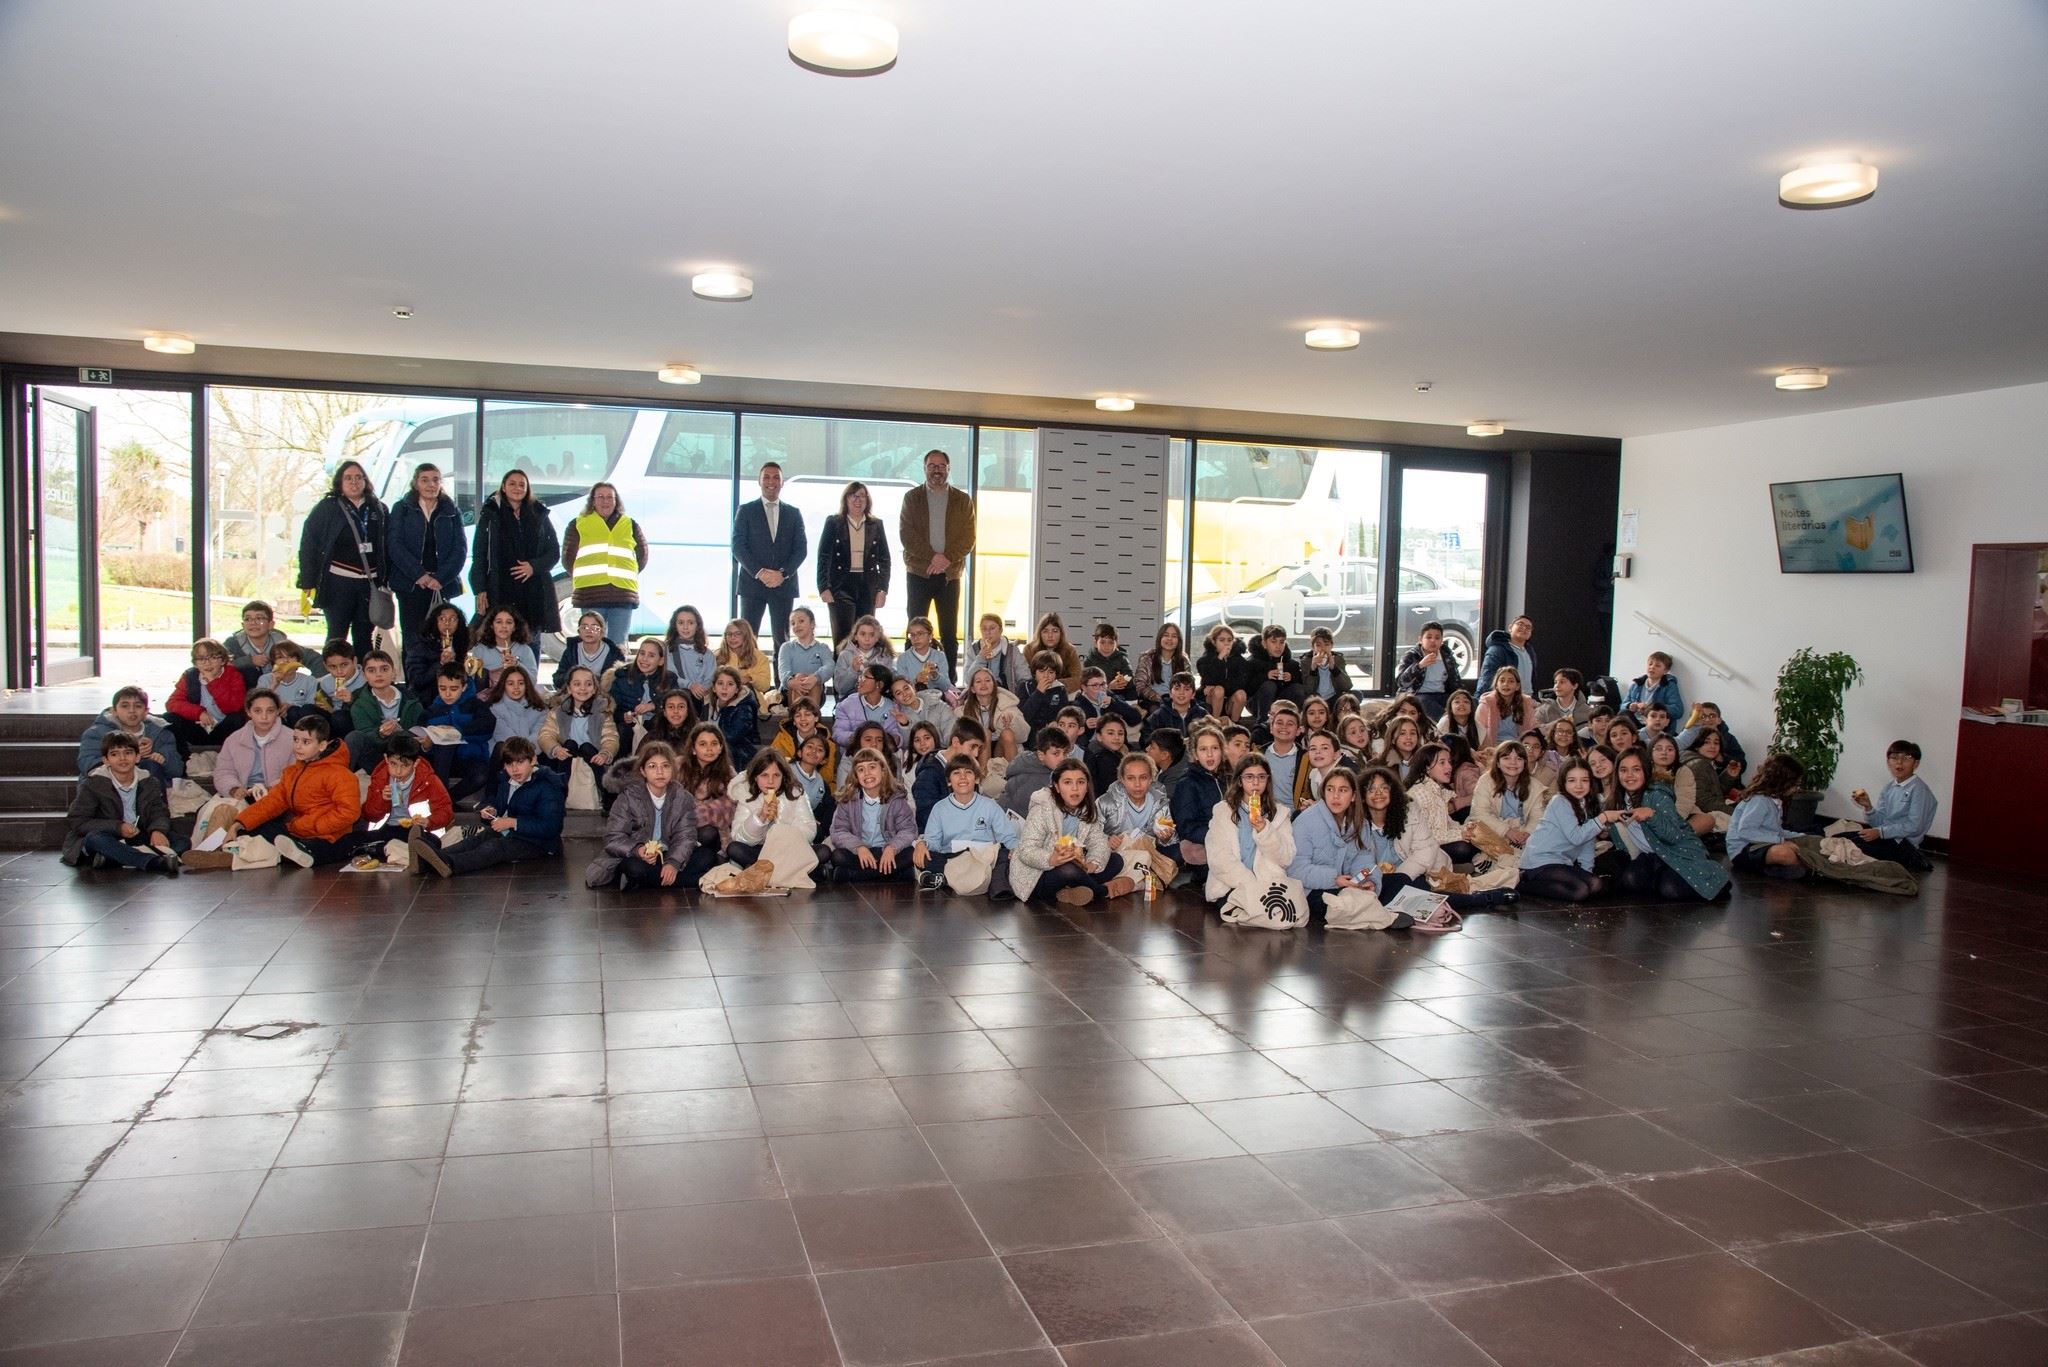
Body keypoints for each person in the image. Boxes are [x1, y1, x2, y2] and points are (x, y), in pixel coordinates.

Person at [1288, 768, 1441, 929]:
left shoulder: (1358, 822)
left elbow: (1363, 858)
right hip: (1314, 890)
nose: (1335, 796)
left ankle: (1373, 911)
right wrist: (1335, 880)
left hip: (1350, 884)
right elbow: (1296, 869)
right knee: (1340, 901)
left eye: (1343, 790)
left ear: (1354, 796)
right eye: (1330, 789)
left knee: (1400, 880)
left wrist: (1368, 881)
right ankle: (1384, 917)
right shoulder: (1306, 822)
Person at [410, 736, 565, 878]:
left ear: (533, 760)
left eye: (520, 762)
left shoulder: (548, 786)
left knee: (494, 847)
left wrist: (513, 822)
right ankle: (433, 857)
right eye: (509, 764)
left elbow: (551, 826)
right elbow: (501, 805)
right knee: (476, 840)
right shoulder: (507, 780)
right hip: (512, 833)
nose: (514, 769)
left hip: (540, 843)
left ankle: (449, 863)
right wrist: (492, 810)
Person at [222, 714, 363, 868]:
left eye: (305, 742)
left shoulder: (340, 774)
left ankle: (298, 853)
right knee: (254, 827)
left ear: (322, 745)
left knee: (325, 847)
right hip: (298, 831)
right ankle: (289, 851)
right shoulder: (292, 773)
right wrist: (239, 824)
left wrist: (312, 826)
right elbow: (271, 803)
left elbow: (349, 812)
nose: (298, 746)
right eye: (295, 740)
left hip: (328, 836)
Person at [1608, 746, 1730, 901]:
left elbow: (1674, 836)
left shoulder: (1657, 795)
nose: (1629, 775)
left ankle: (1716, 879)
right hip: (1652, 855)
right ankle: (1664, 877)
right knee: (1631, 881)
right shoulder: (1618, 800)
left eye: (1636, 769)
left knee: (1671, 889)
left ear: (1646, 771)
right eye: (1623, 770)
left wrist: (1651, 815)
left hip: (1677, 851)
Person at [295, 459, 388, 657]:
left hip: (369, 584)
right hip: (338, 582)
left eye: (358, 477)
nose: (354, 482)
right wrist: (307, 580)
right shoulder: (327, 508)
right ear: (340, 482)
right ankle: (332, 675)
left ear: (365, 481)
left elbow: (388, 546)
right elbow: (309, 544)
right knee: (337, 635)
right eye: (348, 478)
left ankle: (364, 675)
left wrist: (387, 579)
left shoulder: (378, 509)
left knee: (364, 636)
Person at [1013, 759, 1134, 905]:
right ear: (1057, 787)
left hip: (1075, 866)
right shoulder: (1042, 809)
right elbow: (1026, 850)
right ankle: (1103, 891)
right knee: (1068, 870)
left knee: (1116, 860)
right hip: (1036, 876)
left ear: (1087, 786)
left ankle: (1069, 892)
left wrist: (1093, 863)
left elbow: (1099, 840)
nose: (1075, 789)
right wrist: (1051, 859)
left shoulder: (1087, 809)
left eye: (1081, 782)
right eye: (1067, 782)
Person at [585, 742, 702, 890]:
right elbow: (613, 837)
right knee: (635, 868)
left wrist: (673, 863)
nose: (660, 772)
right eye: (652, 766)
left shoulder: (682, 797)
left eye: (665, 766)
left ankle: (649, 881)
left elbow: (685, 835)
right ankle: (693, 880)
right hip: (636, 856)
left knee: (705, 856)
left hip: (667, 852)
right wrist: (638, 850)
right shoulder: (628, 797)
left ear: (672, 770)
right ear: (643, 771)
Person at [63, 733, 180, 874]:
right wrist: (118, 827)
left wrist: (158, 830)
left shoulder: (149, 782)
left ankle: (115, 857)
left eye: (128, 753)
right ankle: (153, 862)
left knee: (182, 841)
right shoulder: (93, 784)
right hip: (107, 835)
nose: (122, 758)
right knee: (95, 839)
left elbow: (159, 811)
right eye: (114, 754)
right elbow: (78, 821)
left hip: (136, 834)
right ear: (106, 760)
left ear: (137, 757)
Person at [899, 449, 974, 669]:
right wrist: (933, 558)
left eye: (941, 466)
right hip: (918, 574)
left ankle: (949, 680)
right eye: (932, 466)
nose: (936, 470)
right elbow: (907, 535)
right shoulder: (912, 498)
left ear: (948, 469)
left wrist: (945, 559)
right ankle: (909, 676)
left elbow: (968, 537)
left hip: (949, 576)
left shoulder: (962, 500)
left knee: (949, 632)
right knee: (914, 629)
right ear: (924, 469)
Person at [470, 468, 561, 638]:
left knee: (531, 641)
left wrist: (533, 567)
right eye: (512, 484)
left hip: (533, 591)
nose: (517, 488)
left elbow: (554, 552)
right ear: (503, 487)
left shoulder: (539, 513)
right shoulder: (490, 514)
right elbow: (479, 555)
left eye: (521, 485)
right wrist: (479, 588)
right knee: (500, 640)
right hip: (500, 589)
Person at [912, 755, 1018, 894]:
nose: (962, 777)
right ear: (949, 781)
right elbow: (933, 843)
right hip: (953, 859)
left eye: (968, 772)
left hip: (983, 859)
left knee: (1004, 855)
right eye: (956, 773)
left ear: (977, 779)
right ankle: (959, 880)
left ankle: (944, 879)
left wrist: (1015, 849)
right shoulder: (939, 808)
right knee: (923, 856)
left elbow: (1008, 837)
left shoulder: (990, 806)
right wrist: (922, 845)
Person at [385, 462, 466, 644]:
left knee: (441, 639)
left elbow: (460, 550)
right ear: (416, 483)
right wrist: (418, 574)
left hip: (441, 584)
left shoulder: (452, 511)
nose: (431, 485)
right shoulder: (402, 508)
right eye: (425, 480)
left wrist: (440, 578)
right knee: (413, 639)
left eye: (435, 480)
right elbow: (394, 545)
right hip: (411, 584)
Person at [732, 462, 807, 657]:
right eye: (766, 477)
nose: (771, 481)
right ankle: (746, 676)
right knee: (747, 638)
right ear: (759, 481)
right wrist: (760, 573)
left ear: (782, 482)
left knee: (782, 640)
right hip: (752, 584)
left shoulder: (793, 513)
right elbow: (738, 547)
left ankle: (782, 677)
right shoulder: (746, 510)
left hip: (783, 585)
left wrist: (782, 574)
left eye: (776, 477)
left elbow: (801, 550)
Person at [561, 480, 648, 646]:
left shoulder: (630, 524)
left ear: (616, 501)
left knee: (617, 645)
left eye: (609, 497)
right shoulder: (578, 524)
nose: (605, 501)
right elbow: (568, 558)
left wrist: (628, 572)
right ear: (592, 501)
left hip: (622, 594)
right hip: (590, 594)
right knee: (592, 644)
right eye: (600, 497)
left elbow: (642, 555)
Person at [349, 732, 454, 866]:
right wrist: (382, 799)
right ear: (386, 759)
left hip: (417, 830)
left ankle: (381, 849)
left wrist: (429, 821)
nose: (398, 771)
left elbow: (446, 811)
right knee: (350, 840)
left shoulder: (429, 780)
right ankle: (392, 850)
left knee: (432, 842)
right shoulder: (380, 778)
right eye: (393, 764)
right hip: (387, 829)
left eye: (405, 766)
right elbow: (369, 815)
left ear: (415, 763)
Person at [821, 747, 917, 884]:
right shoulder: (848, 800)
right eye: (861, 769)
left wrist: (892, 847)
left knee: (910, 853)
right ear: (856, 775)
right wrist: (859, 847)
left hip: (886, 851)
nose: (867, 773)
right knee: (838, 856)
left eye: (872, 767)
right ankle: (891, 874)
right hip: (859, 853)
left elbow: (908, 830)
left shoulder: (897, 799)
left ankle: (852, 875)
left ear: (883, 770)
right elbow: (838, 831)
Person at [816, 481, 891, 647]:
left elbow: (885, 559)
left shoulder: (876, 524)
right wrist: (823, 587)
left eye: (862, 496)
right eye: (854, 496)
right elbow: (823, 556)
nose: (858, 500)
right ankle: (841, 665)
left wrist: (882, 589)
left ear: (867, 500)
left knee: (866, 634)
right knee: (843, 636)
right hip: (840, 585)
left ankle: (864, 666)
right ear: (846, 499)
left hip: (868, 586)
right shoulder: (834, 522)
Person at [1847, 739, 1937, 872]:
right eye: (1894, 757)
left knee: (1850, 847)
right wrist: (1868, 808)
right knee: (1841, 839)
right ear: (1888, 762)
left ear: (1916, 763)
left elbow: (1915, 826)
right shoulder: (1889, 788)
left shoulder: (1919, 789)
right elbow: (1880, 823)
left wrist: (1880, 832)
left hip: (1904, 846)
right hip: (1886, 839)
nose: (1899, 762)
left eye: (1906, 758)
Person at [725, 751, 817, 871]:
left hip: (788, 851)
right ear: (755, 777)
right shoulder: (746, 795)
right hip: (759, 851)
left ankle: (767, 871)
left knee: (822, 852)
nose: (770, 781)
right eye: (764, 775)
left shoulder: (795, 793)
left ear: (783, 776)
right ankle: (778, 872)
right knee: (734, 849)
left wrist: (781, 838)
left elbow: (809, 829)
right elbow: (739, 838)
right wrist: (760, 818)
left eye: (776, 775)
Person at [419, 664, 493, 800]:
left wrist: (457, 731)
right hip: (441, 761)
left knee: (481, 775)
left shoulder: (475, 705)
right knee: (444, 745)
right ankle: (441, 800)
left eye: (453, 689)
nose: (447, 694)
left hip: (470, 758)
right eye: (442, 688)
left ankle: (445, 800)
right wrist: (426, 746)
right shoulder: (431, 711)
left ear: (463, 687)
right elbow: (419, 736)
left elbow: (487, 726)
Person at [79, 686, 183, 783]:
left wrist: (164, 759)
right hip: (108, 786)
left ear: (146, 711)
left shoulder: (161, 733)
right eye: (125, 706)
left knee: (151, 766)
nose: (132, 711)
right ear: (114, 711)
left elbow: (177, 770)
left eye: (138, 706)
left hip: (149, 789)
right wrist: (130, 755)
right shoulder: (97, 733)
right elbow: (87, 764)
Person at [164, 638, 248, 754]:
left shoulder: (233, 675)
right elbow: (172, 703)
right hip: (199, 727)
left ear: (223, 660)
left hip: (224, 728)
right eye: (201, 659)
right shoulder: (190, 676)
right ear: (195, 663)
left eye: (213, 657)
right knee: (169, 718)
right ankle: (183, 757)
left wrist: (213, 682)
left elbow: (234, 707)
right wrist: (199, 713)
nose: (207, 663)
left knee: (237, 718)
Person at [538, 665, 620, 782]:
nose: (583, 688)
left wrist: (605, 753)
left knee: (587, 747)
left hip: (593, 758)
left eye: (588, 684)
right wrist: (555, 749)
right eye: (577, 684)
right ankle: (563, 787)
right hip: (566, 758)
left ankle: (600, 789)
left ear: (594, 689)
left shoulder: (603, 712)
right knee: (569, 745)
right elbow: (546, 734)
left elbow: (610, 737)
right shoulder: (558, 711)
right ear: (569, 689)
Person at [346, 649, 421, 770]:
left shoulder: (412, 701)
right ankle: (344, 777)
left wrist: (399, 731)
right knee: (354, 737)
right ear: (364, 676)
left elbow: (418, 733)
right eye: (371, 670)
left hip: (405, 754)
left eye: (384, 669)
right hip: (376, 756)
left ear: (394, 673)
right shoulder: (359, 705)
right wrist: (380, 733)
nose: (378, 674)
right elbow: (365, 734)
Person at [1169, 727, 1228, 875]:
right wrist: (1218, 836)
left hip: (1229, 839)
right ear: (1195, 754)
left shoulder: (1228, 778)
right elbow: (1187, 827)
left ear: (1222, 751)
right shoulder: (1187, 783)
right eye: (1203, 749)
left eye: (1215, 748)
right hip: (1203, 844)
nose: (1210, 754)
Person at [213, 688, 291, 800]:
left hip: (278, 796)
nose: (264, 717)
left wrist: (270, 789)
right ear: (248, 712)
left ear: (278, 711)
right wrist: (234, 789)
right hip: (242, 795)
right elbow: (223, 771)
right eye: (258, 711)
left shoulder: (292, 739)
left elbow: (296, 774)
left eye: (270, 711)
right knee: (221, 809)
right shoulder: (234, 740)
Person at [677, 722, 738, 859]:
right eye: (703, 744)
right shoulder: (678, 767)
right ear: (693, 749)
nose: (709, 749)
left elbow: (728, 809)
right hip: (678, 829)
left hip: (713, 835)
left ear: (721, 748)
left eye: (714, 744)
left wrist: (695, 813)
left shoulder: (728, 774)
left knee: (708, 833)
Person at [607, 638, 677, 751]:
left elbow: (675, 704)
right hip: (630, 726)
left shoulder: (670, 679)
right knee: (623, 731)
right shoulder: (623, 677)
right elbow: (612, 709)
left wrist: (654, 706)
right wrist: (624, 716)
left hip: (656, 723)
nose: (644, 659)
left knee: (661, 729)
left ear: (661, 661)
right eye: (642, 653)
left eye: (651, 655)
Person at [1394, 621, 1464, 723]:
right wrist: (1419, 666)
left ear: (1441, 641)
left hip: (1442, 694)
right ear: (1420, 640)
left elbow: (1456, 682)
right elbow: (1401, 682)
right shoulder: (1411, 655)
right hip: (1418, 694)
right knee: (1424, 703)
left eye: (1437, 638)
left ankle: (1459, 725)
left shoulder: (1447, 657)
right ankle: (1449, 723)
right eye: (1429, 637)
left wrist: (1460, 697)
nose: (1433, 641)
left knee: (1470, 701)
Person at [1675, 728, 1738, 836]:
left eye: (1716, 743)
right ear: (1696, 745)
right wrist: (1736, 813)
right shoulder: (1699, 765)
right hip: (1698, 817)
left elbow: (1712, 791)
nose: (1712, 746)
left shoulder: (1695, 759)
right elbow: (1704, 802)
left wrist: (1728, 776)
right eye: (1706, 742)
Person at [403, 603, 473, 699]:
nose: (447, 623)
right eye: (442, 619)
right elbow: (416, 680)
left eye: (453, 619)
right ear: (435, 621)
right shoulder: (421, 646)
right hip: (428, 699)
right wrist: (441, 664)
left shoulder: (461, 644)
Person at [960, 666, 1026, 761]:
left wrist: (1012, 721)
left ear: (994, 685)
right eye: (978, 681)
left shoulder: (1008, 705)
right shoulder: (963, 710)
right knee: (985, 733)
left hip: (1001, 748)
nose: (983, 684)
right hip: (976, 752)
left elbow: (1024, 736)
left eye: (987, 680)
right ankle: (983, 770)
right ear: (973, 689)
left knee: (1007, 733)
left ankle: (1013, 770)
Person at [775, 607, 834, 713]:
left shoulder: (822, 648)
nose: (796, 625)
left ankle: (810, 718)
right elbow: (783, 672)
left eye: (801, 621)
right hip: (788, 692)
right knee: (799, 677)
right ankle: (798, 717)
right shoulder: (786, 647)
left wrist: (815, 678)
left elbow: (830, 667)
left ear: (812, 624)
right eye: (793, 623)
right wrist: (793, 682)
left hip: (816, 691)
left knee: (813, 680)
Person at [772, 697, 841, 785]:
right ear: (794, 721)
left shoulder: (828, 742)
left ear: (816, 718)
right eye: (798, 715)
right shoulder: (782, 738)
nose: (803, 719)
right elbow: (772, 765)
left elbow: (828, 775)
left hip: (816, 784)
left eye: (807, 714)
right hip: (788, 784)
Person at [553, 611, 625, 694]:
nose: (589, 631)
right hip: (576, 696)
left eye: (594, 628)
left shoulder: (614, 653)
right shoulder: (571, 651)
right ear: (579, 631)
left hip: (603, 697)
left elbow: (622, 683)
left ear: (602, 632)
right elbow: (557, 679)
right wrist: (575, 677)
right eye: (584, 627)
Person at [1003, 726, 1068, 816]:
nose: (1063, 758)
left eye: (1065, 753)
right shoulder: (1032, 781)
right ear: (1041, 755)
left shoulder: (1029, 763)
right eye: (1056, 753)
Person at [833, 664, 902, 748]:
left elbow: (895, 733)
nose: (859, 680)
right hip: (855, 753)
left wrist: (891, 740)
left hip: (882, 753)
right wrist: (859, 738)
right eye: (860, 676)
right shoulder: (847, 705)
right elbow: (838, 733)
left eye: (865, 677)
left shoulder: (892, 708)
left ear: (879, 684)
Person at [704, 666, 761, 767]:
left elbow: (731, 737)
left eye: (730, 684)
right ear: (713, 688)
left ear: (737, 690)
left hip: (739, 756)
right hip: (714, 750)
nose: (724, 688)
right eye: (720, 683)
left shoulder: (744, 708)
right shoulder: (707, 705)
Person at [471, 607, 540, 689]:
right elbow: (472, 681)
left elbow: (533, 681)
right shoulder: (480, 650)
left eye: (509, 622)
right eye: (499, 622)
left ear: (515, 627)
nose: (504, 626)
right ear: (491, 625)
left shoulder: (525, 650)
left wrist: (518, 665)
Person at [1676, 701, 1748, 779]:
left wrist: (1722, 759)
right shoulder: (1688, 737)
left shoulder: (1729, 738)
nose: (1707, 720)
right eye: (1703, 716)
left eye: (1712, 716)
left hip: (1724, 781)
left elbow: (1742, 765)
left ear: (1719, 720)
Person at [963, 613, 1030, 696]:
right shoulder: (974, 649)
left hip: (1006, 696)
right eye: (984, 629)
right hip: (979, 696)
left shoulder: (1011, 650)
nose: (988, 632)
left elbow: (1025, 677)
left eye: (992, 628)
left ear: (1001, 630)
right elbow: (968, 680)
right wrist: (981, 658)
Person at [222, 601, 291, 681]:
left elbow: (302, 656)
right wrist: (249, 661)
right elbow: (219, 666)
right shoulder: (232, 644)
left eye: (259, 618)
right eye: (247, 619)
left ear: (271, 624)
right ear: (243, 625)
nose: (253, 623)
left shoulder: (281, 641)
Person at [1197, 625, 1251, 722]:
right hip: (1211, 699)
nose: (1226, 643)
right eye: (1222, 640)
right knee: (1219, 690)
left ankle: (1234, 725)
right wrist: (1220, 658)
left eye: (1229, 640)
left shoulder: (1239, 660)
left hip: (1230, 699)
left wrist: (1221, 685)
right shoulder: (1205, 660)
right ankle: (1215, 723)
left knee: (1241, 694)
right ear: (1214, 642)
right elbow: (1209, 679)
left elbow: (1242, 683)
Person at [664, 606, 717, 705]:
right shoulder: (667, 650)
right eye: (681, 623)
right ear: (675, 626)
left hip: (701, 701)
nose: (685, 627)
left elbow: (710, 679)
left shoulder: (707, 654)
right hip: (674, 700)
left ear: (698, 626)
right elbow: (670, 676)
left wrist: (700, 690)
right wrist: (689, 685)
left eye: (690, 623)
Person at [833, 615, 895, 699]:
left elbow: (889, 685)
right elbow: (840, 689)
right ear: (855, 636)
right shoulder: (845, 655)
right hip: (850, 700)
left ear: (877, 638)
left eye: (872, 635)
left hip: (877, 700)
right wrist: (853, 670)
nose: (867, 639)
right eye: (862, 634)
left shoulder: (885, 657)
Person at [485, 665, 548, 748]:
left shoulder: (539, 708)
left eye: (521, 683)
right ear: (504, 685)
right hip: (503, 753)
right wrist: (525, 750)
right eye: (510, 684)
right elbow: (504, 736)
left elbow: (539, 735)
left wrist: (529, 749)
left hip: (532, 752)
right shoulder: (493, 708)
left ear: (526, 685)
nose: (516, 687)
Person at [1476, 666, 1538, 746]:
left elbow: (1532, 729)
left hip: (1519, 747)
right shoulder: (1486, 704)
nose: (1506, 684)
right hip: (1492, 747)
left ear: (1517, 686)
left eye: (1511, 681)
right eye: (1502, 681)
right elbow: (1478, 732)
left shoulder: (1526, 703)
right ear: (1496, 685)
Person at [1134, 623, 1191, 708]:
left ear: (1179, 640)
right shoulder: (1147, 659)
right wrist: (1159, 698)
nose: (1169, 639)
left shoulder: (1184, 660)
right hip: (1153, 701)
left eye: (1174, 636)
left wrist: (1178, 698)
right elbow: (1140, 685)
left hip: (1178, 700)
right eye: (1166, 635)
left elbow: (1189, 685)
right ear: (1160, 638)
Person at [258, 641, 319, 721]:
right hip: (273, 719)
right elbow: (258, 704)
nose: (286, 661)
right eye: (280, 657)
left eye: (290, 657)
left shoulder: (309, 680)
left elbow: (310, 706)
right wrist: (273, 685)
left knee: (293, 711)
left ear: (299, 661)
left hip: (299, 719)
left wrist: (291, 706)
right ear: (274, 662)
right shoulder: (264, 679)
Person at [716, 619, 773, 702]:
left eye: (738, 634)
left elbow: (765, 686)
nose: (732, 637)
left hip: (750, 701)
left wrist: (749, 678)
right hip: (721, 700)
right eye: (729, 634)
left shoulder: (760, 657)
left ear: (746, 635)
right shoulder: (717, 655)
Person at [896, 616, 955, 694]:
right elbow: (901, 688)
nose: (916, 638)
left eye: (920, 634)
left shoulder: (940, 656)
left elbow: (946, 687)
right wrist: (916, 681)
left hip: (935, 699)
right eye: (912, 635)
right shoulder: (903, 658)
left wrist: (936, 676)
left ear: (930, 636)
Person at [1479, 615, 1536, 694]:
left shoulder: (1530, 651)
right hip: (1505, 698)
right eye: (1520, 624)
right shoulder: (1497, 650)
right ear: (1510, 628)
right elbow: (1487, 678)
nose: (1524, 628)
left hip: (1527, 698)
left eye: (1528, 627)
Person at [1622, 651, 1684, 723]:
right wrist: (1630, 706)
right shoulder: (1637, 684)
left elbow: (1678, 710)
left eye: (1657, 665)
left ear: (1665, 671)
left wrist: (1651, 707)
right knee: (1623, 714)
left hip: (1656, 723)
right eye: (1650, 664)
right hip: (1635, 721)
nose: (1652, 667)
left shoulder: (1668, 685)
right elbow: (1622, 705)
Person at [1019, 652, 1073, 735]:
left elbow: (1063, 713)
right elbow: (1023, 716)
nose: (1046, 676)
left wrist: (1056, 721)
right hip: (1029, 732)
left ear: (1056, 674)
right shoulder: (1025, 686)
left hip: (1051, 732)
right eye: (1041, 671)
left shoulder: (1060, 689)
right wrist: (1038, 693)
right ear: (1034, 672)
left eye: (1051, 672)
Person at [1082, 624, 1136, 700]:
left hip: (1120, 693)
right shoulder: (1089, 661)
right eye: (1102, 642)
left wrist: (1124, 681)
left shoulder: (1122, 658)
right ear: (1096, 643)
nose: (1107, 646)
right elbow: (1087, 684)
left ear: (1116, 644)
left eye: (1111, 643)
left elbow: (1129, 675)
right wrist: (1108, 686)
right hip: (1097, 693)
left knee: (1132, 692)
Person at [1300, 627, 1354, 702]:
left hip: (1334, 698)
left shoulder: (1338, 659)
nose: (1323, 648)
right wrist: (1313, 669)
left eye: (1326, 644)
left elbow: (1347, 686)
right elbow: (1308, 690)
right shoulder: (1306, 661)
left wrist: (1334, 668)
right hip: (1315, 699)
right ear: (1313, 647)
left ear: (1331, 646)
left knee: (1356, 694)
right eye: (1318, 645)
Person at [1086, 713, 1134, 797]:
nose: (1117, 737)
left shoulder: (1117, 755)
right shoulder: (1102, 758)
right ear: (1099, 736)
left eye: (1120, 734)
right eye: (1110, 733)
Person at [1146, 727, 1187, 801]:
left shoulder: (1175, 781)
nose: (1147, 749)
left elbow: (1160, 804)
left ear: (1164, 755)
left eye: (1152, 747)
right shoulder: (1164, 765)